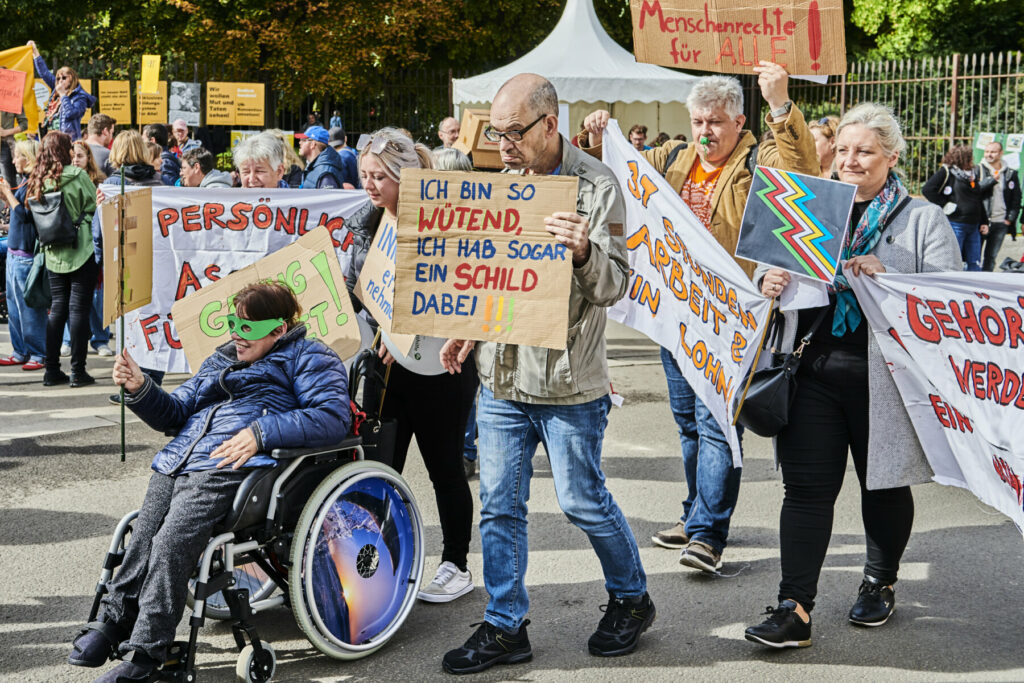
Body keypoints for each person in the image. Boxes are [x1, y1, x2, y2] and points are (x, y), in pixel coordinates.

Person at [440, 74, 653, 675]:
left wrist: (584, 251)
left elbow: (615, 287)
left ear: (549, 124)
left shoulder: (597, 186)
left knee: (583, 501)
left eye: (513, 132)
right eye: (495, 132)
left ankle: (632, 599)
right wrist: (468, 331)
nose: (503, 144)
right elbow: (496, 283)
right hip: (502, 381)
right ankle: (506, 625)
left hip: (567, 382)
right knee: (500, 507)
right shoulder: (504, 187)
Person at [582, 63, 818, 574]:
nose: (705, 132)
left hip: (730, 316)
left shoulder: (760, 157)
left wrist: (780, 105)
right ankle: (694, 516)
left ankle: (710, 535)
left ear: (738, 121)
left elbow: (804, 168)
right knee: (688, 421)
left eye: (714, 122)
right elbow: (615, 172)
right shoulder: (672, 157)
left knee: (715, 422)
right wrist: (600, 134)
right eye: (698, 122)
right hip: (680, 308)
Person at [745, 103, 962, 650]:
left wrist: (893, 276)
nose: (849, 160)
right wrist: (766, 277)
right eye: (842, 149)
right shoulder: (811, 206)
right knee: (806, 491)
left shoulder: (921, 218)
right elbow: (762, 270)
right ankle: (794, 608)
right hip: (812, 369)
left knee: (883, 486)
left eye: (864, 151)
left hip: (885, 380)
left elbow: (950, 297)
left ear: (892, 156)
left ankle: (879, 579)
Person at [67, 281, 351, 683]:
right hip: (178, 460)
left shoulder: (309, 357)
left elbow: (332, 417)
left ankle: (148, 651)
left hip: (230, 464)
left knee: (171, 543)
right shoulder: (220, 360)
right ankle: (114, 621)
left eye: (249, 327)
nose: (237, 334)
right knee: (144, 534)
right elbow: (175, 413)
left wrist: (263, 431)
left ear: (281, 328)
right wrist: (140, 388)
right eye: (233, 323)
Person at [344, 127, 478, 607]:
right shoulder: (367, 225)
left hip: (442, 369)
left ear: (407, 177)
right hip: (386, 374)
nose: (370, 185)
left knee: (445, 469)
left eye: (380, 176)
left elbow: (464, 295)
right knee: (380, 469)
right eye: (365, 175)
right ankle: (376, 561)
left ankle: (455, 564)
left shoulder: (448, 225)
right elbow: (355, 290)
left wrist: (406, 334)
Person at [95, 130, 167, 402]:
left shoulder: (113, 183)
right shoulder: (161, 183)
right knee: (152, 324)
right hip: (155, 263)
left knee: (130, 328)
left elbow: (99, 232)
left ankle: (131, 387)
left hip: (127, 264)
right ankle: (152, 384)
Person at [24, 132, 97, 386]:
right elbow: (94, 207)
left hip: (53, 252)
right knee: (79, 310)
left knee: (57, 309)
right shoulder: (77, 175)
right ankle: (78, 372)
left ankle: (51, 370)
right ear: (65, 150)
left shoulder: (38, 180)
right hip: (82, 248)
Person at [431, 146, 479, 479]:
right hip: (438, 314)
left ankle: (466, 451)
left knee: (461, 379)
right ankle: (458, 448)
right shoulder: (429, 213)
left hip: (464, 316)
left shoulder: (478, 218)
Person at [0, 140, 47, 371]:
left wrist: (8, 194)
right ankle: (20, 351)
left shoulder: (36, 183)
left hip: (26, 255)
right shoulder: (24, 182)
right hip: (13, 252)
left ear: (27, 158)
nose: (13, 160)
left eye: (17, 156)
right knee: (13, 307)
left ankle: (38, 353)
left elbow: (27, 216)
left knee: (29, 309)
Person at [68, 140, 112, 357]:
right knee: (70, 296)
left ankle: (100, 338)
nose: (76, 160)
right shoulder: (65, 180)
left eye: (80, 156)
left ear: (88, 159)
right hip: (70, 244)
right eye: (73, 156)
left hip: (92, 246)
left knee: (96, 296)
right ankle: (70, 339)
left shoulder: (99, 182)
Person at [922, 144, 995, 271]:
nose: (972, 160)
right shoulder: (947, 172)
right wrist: (945, 205)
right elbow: (928, 189)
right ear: (962, 158)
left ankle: (973, 287)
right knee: (953, 260)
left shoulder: (971, 174)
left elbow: (978, 199)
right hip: (956, 224)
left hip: (974, 225)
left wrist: (984, 222)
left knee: (974, 261)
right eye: (970, 157)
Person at [28, 41, 95, 141]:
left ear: (72, 79)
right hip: (50, 137)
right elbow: (44, 73)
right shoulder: (57, 89)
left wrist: (63, 95)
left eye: (64, 78)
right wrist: (35, 52)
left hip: (67, 139)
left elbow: (71, 114)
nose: (60, 81)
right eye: (58, 79)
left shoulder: (81, 97)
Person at [978, 140, 1021, 271]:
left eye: (993, 152)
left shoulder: (1010, 173)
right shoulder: (978, 170)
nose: (989, 154)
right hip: (981, 222)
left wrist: (1010, 218)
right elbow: (973, 192)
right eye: (987, 151)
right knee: (974, 257)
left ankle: (985, 285)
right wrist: (991, 180)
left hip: (1001, 222)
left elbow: (1016, 198)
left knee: (991, 258)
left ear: (1001, 153)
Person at [295, 125, 346, 189]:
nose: (300, 142)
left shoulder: (326, 174)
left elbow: (329, 198)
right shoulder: (314, 167)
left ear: (312, 144)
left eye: (303, 140)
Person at [0, 71, 28, 186]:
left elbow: (24, 124)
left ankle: (11, 203)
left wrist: (6, 132)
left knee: (8, 180)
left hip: (5, 145)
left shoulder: (15, 100)